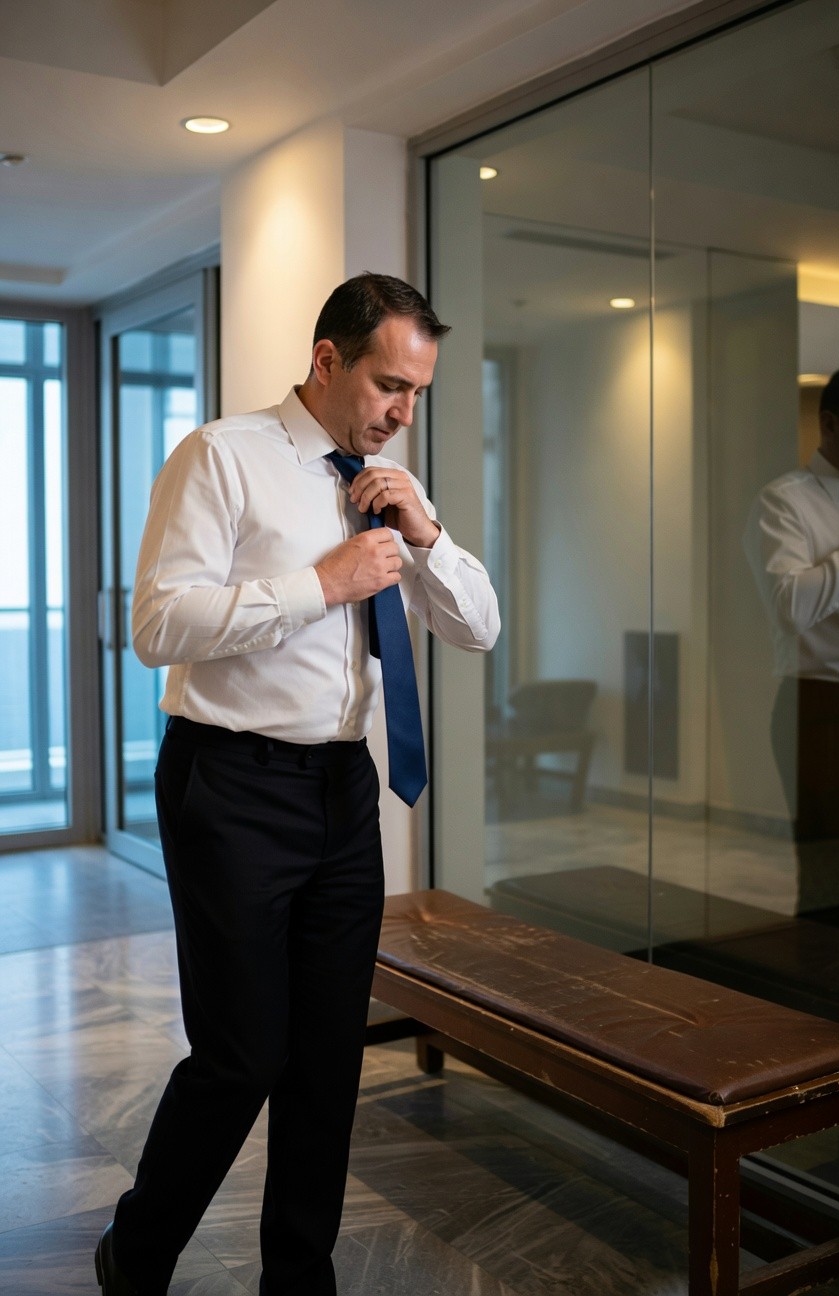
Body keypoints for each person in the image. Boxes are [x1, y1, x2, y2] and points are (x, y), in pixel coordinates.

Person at [95, 273, 500, 1296]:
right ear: (329, 360)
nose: (403, 410)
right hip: (229, 784)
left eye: (418, 393)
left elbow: (478, 627)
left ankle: (299, 1277)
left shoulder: (388, 484)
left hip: (341, 794)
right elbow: (157, 624)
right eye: (389, 384)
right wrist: (320, 584)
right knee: (241, 1055)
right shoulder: (222, 457)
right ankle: (136, 1254)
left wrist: (428, 535)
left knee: (328, 1058)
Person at [744, 361, 839, 925]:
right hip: (826, 705)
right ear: (833, 423)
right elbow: (791, 607)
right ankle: (819, 1008)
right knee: (832, 880)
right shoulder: (786, 501)